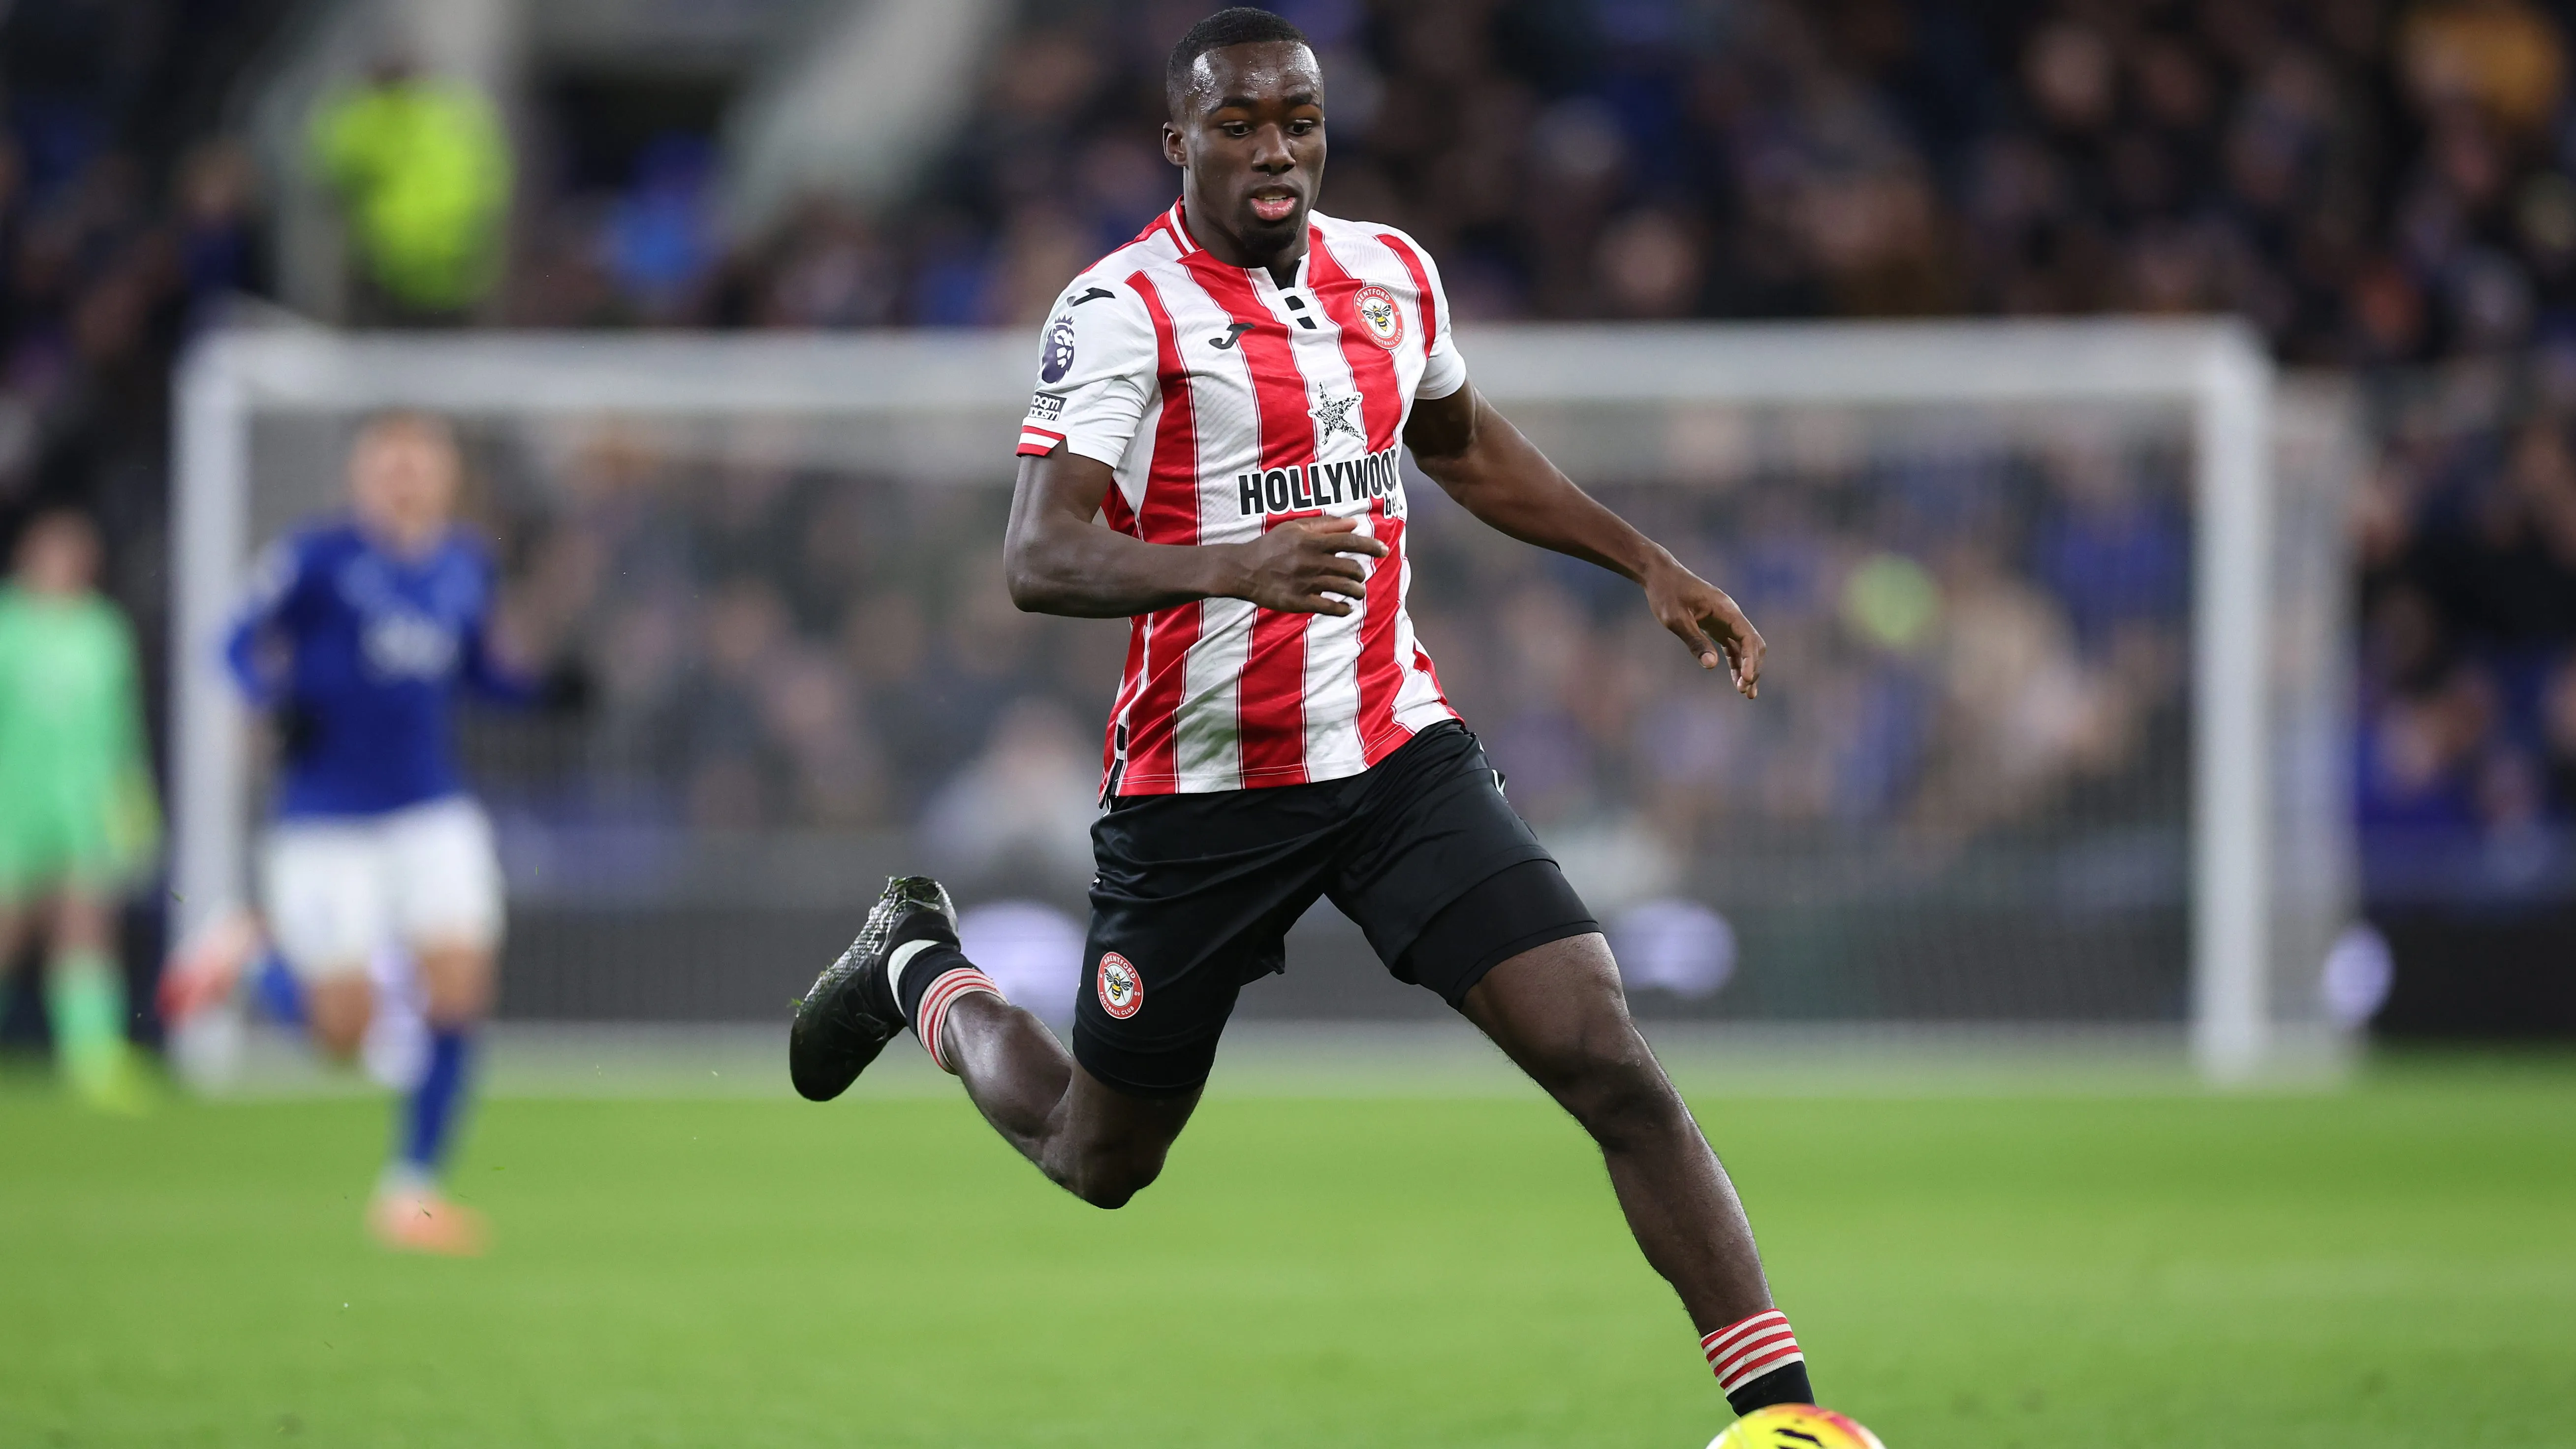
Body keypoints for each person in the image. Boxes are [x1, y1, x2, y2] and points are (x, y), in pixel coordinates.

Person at [792, 9, 1810, 1415]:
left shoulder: (1391, 273)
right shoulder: (1117, 310)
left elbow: (1458, 445)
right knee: (1100, 1159)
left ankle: (1785, 1419)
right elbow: (1042, 556)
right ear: (1178, 140)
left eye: (1299, 120)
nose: (1277, 150)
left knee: (1604, 1054)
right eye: (1239, 124)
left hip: (1397, 756)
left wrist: (1643, 558)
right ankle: (920, 970)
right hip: (1202, 787)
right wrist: (1237, 565)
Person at [198, 412, 531, 1253]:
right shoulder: (316, 557)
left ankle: (411, 1191)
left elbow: (477, 672)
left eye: (420, 466)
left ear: (447, 479)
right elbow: (232, 641)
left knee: (459, 985)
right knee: (343, 1033)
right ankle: (250, 952)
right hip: (325, 817)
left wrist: (543, 688)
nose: (404, 481)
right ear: (359, 477)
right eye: (389, 466)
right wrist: (273, 704)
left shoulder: (466, 563)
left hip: (429, 806)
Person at [0, 510, 159, 1110]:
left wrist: (131, 808)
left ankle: (92, 1055)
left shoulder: (103, 631)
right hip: (11, 800)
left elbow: (121, 730)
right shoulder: (8, 626)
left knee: (86, 925)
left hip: (86, 802)